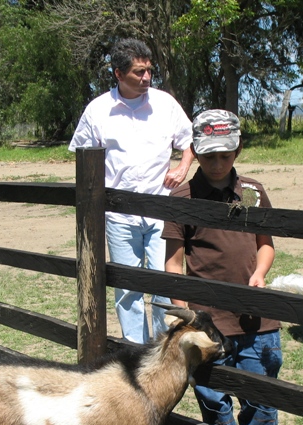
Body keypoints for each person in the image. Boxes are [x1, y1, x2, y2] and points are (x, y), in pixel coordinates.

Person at [163, 110, 282, 425]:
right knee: (213, 400)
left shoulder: (253, 191)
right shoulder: (182, 197)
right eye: (209, 156)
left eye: (225, 156)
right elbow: (173, 261)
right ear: (195, 152)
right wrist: (186, 319)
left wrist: (260, 273)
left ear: (238, 150)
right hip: (207, 324)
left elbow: (266, 243)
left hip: (255, 320)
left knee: (260, 395)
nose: (217, 164)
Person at [69, 38, 194, 343]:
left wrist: (182, 168)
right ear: (118, 74)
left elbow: (188, 140)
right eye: (139, 72)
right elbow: (83, 156)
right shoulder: (99, 110)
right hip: (119, 216)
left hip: (161, 212)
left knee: (165, 283)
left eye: (149, 71)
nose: (146, 78)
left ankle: (168, 350)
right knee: (127, 290)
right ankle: (137, 351)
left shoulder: (165, 104)